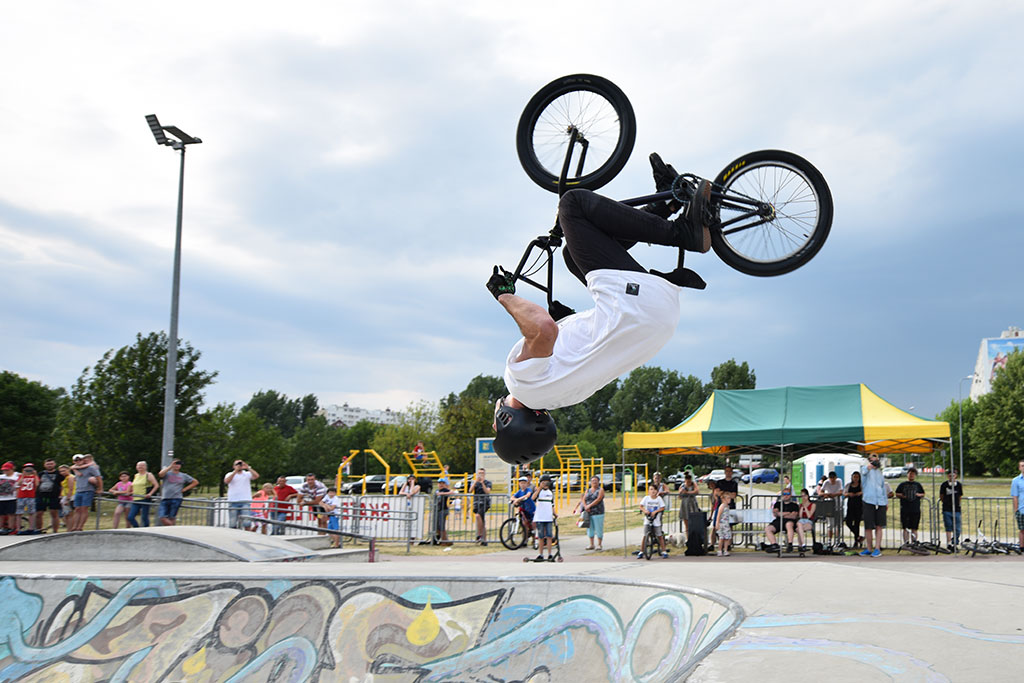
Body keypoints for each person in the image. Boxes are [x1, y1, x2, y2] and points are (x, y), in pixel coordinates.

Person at [488, 157, 715, 466]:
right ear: (506, 421)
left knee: (573, 257)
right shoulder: (521, 383)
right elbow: (542, 329)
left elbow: (581, 345)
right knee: (573, 205)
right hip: (636, 306)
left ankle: (665, 204)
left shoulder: (563, 396)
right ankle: (683, 233)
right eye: (495, 428)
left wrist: (565, 318)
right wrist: (504, 296)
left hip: (657, 320)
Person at [859, 454, 887, 557]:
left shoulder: (880, 473)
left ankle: (877, 548)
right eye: (873, 459)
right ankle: (869, 548)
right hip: (868, 500)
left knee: (879, 525)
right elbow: (864, 472)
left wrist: (885, 501)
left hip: (880, 501)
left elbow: (883, 487)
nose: (876, 462)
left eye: (877, 460)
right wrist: (869, 466)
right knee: (868, 526)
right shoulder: (865, 470)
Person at [158, 459, 198, 525]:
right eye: (175, 464)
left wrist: (185, 489)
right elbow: (160, 474)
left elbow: (195, 482)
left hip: (177, 498)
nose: (177, 465)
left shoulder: (183, 475)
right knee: (162, 517)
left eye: (179, 464)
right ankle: (172, 527)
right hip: (165, 498)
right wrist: (170, 466)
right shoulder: (167, 473)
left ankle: (171, 529)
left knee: (172, 517)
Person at [69, 454, 102, 532]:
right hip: (78, 490)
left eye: (80, 460)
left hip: (88, 490)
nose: (78, 461)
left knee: (84, 509)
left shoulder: (91, 468)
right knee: (77, 509)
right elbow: (72, 469)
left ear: (83, 460)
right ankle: (75, 526)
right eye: (76, 460)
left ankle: (80, 527)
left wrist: (100, 488)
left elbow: (99, 478)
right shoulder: (75, 468)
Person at [224, 460, 259, 530]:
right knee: (232, 523)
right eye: (237, 464)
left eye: (241, 464)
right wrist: (235, 471)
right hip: (233, 501)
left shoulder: (247, 474)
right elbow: (226, 481)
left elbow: (256, 476)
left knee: (247, 522)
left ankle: (247, 534)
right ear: (233, 466)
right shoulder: (229, 474)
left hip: (245, 500)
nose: (239, 465)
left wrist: (248, 467)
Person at [895, 467, 926, 543]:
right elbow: (897, 493)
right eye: (910, 474)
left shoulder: (918, 485)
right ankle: (906, 542)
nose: (911, 475)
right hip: (905, 509)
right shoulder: (902, 484)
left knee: (914, 527)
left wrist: (918, 495)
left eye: (913, 474)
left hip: (915, 509)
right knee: (905, 527)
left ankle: (914, 542)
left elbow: (923, 493)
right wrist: (903, 496)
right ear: (907, 474)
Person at [530, 474, 557, 561]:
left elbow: (552, 504)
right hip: (540, 516)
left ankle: (549, 554)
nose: (545, 484)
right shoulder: (539, 492)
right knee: (541, 536)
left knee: (549, 536)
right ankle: (540, 554)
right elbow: (533, 498)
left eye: (547, 483)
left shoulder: (550, 493)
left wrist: (555, 513)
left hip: (548, 517)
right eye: (543, 482)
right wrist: (539, 488)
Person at [639, 484, 669, 558]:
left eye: (654, 490)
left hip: (656, 519)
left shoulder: (659, 499)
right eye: (651, 489)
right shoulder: (646, 498)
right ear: (648, 491)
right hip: (648, 519)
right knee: (645, 535)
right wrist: (645, 511)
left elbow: (662, 507)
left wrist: (656, 511)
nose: (653, 491)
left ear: (657, 491)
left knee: (659, 535)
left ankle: (664, 551)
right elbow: (641, 506)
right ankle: (641, 551)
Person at [35, 459, 64, 534]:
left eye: (51, 464)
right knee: (38, 513)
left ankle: (55, 531)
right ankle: (39, 530)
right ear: (44, 465)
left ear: (54, 464)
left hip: (54, 495)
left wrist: (61, 494)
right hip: (41, 495)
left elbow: (63, 485)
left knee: (54, 513)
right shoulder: (41, 474)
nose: (49, 465)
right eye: (48, 464)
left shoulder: (59, 474)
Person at [127, 461, 159, 528]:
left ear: (146, 467)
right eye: (138, 465)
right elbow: (136, 486)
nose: (140, 467)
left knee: (144, 517)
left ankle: (146, 529)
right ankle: (137, 528)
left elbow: (156, 485)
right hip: (136, 498)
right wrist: (131, 492)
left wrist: (150, 493)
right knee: (130, 517)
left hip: (145, 498)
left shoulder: (148, 475)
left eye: (142, 465)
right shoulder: (136, 475)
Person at [577, 475, 605, 551]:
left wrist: (590, 505)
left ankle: (599, 544)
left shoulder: (600, 490)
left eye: (595, 480)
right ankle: (591, 544)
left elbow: (598, 499)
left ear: (598, 482)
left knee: (598, 528)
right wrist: (585, 506)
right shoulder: (588, 490)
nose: (594, 482)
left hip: (598, 512)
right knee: (590, 528)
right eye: (592, 481)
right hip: (589, 512)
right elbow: (583, 499)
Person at [939, 469, 963, 548]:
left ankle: (955, 541)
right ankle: (949, 543)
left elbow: (960, 496)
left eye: (953, 475)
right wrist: (945, 502)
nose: (952, 477)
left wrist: (958, 504)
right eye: (950, 475)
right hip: (947, 509)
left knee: (957, 528)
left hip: (956, 509)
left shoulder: (959, 485)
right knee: (948, 526)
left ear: (956, 476)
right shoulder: (944, 485)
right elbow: (941, 496)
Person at [14, 463, 39, 534]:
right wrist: (23, 475)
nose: (28, 471)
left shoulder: (34, 477)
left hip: (31, 496)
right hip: (21, 496)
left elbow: (37, 484)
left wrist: (35, 475)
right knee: (19, 513)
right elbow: (18, 484)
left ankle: (31, 528)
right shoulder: (21, 476)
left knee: (31, 512)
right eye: (26, 469)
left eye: (30, 469)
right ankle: (18, 529)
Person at [510, 475, 536, 546]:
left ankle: (534, 540)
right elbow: (512, 497)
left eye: (524, 483)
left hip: (530, 509)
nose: (523, 485)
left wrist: (518, 499)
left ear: (527, 484)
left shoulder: (528, 490)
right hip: (523, 509)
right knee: (524, 524)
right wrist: (515, 500)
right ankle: (525, 540)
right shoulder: (519, 492)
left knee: (533, 524)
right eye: (521, 483)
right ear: (519, 484)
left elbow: (528, 495)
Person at [470, 468, 492, 546]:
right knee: (482, 521)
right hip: (477, 502)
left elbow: (487, 492)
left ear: (484, 474)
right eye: (479, 473)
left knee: (478, 516)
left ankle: (479, 535)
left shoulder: (487, 482)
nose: (481, 474)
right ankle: (484, 540)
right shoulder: (475, 482)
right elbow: (470, 490)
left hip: (484, 502)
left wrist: (482, 483)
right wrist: (475, 482)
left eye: (482, 473)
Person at [844, 470, 864, 546]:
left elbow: (865, 492)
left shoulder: (861, 485)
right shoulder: (848, 485)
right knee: (848, 522)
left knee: (857, 523)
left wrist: (860, 493)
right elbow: (844, 493)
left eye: (857, 477)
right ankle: (858, 536)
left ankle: (856, 540)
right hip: (850, 505)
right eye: (854, 477)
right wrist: (849, 494)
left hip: (859, 506)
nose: (855, 478)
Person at [399, 476, 421, 542]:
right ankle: (408, 538)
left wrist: (412, 483)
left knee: (414, 523)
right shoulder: (406, 486)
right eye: (409, 479)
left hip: (415, 507)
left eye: (412, 479)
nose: (411, 480)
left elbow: (412, 492)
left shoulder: (417, 486)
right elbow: (400, 492)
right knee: (407, 522)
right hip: (407, 506)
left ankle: (412, 539)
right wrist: (405, 485)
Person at [433, 477, 454, 545]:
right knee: (437, 527)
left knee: (442, 526)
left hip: (443, 509)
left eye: (443, 483)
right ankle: (442, 539)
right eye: (440, 483)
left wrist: (442, 493)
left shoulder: (445, 490)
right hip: (437, 510)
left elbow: (452, 492)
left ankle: (445, 540)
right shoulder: (437, 490)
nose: (441, 485)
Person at [678, 472, 700, 537]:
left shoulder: (694, 484)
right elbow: (679, 496)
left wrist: (687, 492)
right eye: (687, 480)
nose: (688, 482)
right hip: (685, 504)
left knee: (694, 522)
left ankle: (694, 537)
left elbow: (697, 491)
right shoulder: (682, 485)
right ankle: (688, 538)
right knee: (686, 523)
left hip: (692, 504)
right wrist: (681, 491)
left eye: (689, 480)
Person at [0, 462, 16, 535]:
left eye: (7, 470)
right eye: (4, 470)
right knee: (1, 514)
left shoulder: (16, 476)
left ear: (12, 469)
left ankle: (11, 528)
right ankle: (1, 528)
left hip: (12, 498)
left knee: (11, 514)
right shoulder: (1, 477)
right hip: (1, 498)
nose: (5, 471)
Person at [1012, 459, 1024, 549]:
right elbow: (1015, 496)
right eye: (1022, 466)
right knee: (1022, 530)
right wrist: (1016, 510)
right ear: (1019, 468)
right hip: (1021, 509)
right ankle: (1022, 547)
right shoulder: (1016, 480)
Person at [58, 464, 74, 529]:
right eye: (60, 471)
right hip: (64, 496)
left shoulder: (70, 477)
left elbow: (71, 488)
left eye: (64, 471)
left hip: (70, 496)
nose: (62, 472)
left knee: (69, 514)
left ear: (68, 470)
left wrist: (68, 499)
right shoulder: (64, 478)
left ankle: (70, 528)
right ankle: (68, 528)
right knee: (66, 514)